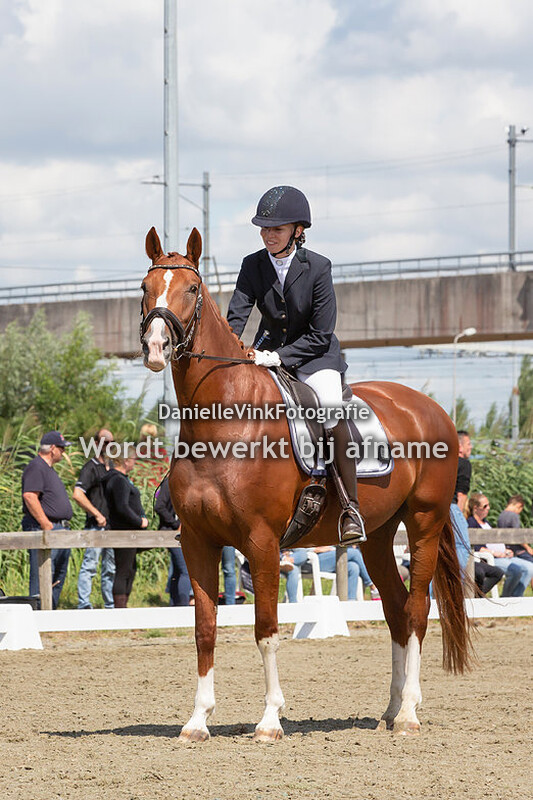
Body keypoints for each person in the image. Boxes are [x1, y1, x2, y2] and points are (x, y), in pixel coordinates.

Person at [226, 185, 365, 546]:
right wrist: (229, 350)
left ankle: (350, 507)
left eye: (276, 229)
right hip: (265, 351)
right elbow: (236, 317)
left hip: (315, 357)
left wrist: (277, 357)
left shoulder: (318, 267)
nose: (268, 235)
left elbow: (321, 334)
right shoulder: (252, 264)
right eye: (264, 228)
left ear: (297, 231)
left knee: (331, 410)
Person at [21, 431, 73, 609]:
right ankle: (38, 618)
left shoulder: (47, 469)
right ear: (52, 449)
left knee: (57, 576)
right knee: (42, 575)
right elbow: (29, 496)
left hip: (59, 529)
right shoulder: (36, 466)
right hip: (45, 529)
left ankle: (50, 616)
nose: (63, 452)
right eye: (62, 448)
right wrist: (46, 524)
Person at [73, 428, 115, 609]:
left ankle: (110, 605)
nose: (109, 446)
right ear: (96, 444)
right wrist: (96, 514)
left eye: (112, 443)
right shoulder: (90, 467)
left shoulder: (112, 467)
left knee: (110, 569)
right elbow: (77, 494)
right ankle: (84, 605)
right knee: (90, 566)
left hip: (112, 528)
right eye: (106, 442)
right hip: (96, 527)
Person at [101, 448, 148, 608]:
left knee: (130, 569)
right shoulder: (118, 480)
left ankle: (124, 608)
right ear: (125, 461)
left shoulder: (119, 479)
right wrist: (139, 521)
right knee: (124, 570)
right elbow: (122, 507)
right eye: (133, 459)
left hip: (129, 532)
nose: (135, 462)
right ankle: (120, 611)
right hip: (124, 531)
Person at [467, 492, 530, 597]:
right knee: (516, 570)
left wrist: (504, 551)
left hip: (502, 555)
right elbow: (478, 548)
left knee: (529, 568)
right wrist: (496, 553)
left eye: (488, 505)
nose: (489, 508)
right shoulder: (471, 523)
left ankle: (517, 598)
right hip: (491, 558)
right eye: (485, 506)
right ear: (475, 508)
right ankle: (508, 598)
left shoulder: (486, 523)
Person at [281, 546, 380, 602]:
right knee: (354, 553)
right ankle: (373, 587)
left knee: (353, 567)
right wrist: (318, 549)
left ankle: (350, 603)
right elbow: (301, 548)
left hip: (328, 554)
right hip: (312, 559)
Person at [154, 476, 192, 606]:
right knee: (186, 570)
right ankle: (182, 606)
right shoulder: (169, 482)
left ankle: (173, 605)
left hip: (175, 531)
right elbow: (159, 506)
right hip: (171, 532)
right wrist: (175, 523)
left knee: (177, 570)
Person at [496, 494, 533, 591]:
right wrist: (528, 548)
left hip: (506, 548)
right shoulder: (514, 516)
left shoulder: (501, 515)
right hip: (516, 550)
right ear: (519, 505)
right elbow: (518, 535)